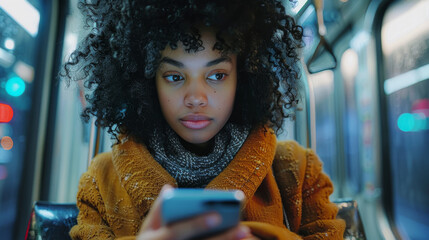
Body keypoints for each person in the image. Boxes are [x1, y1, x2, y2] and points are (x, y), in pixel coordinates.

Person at [63, 0, 346, 239]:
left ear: (244, 77)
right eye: (175, 77)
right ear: (148, 82)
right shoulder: (101, 182)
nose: (196, 97)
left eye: (217, 75)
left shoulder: (297, 172)